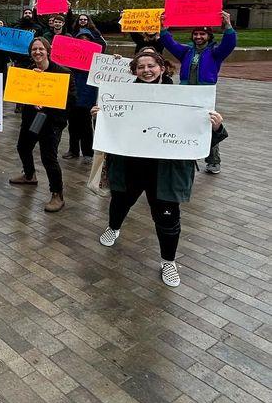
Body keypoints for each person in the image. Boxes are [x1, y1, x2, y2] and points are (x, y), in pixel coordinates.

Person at [95, 49, 227, 287]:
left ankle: (169, 261)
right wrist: (101, 117)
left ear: (162, 68)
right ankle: (113, 228)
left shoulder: (185, 99)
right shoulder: (121, 96)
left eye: (151, 66)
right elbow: (110, 132)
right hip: (130, 167)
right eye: (141, 67)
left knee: (167, 218)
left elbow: (201, 140)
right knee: (120, 202)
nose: (146, 71)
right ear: (134, 71)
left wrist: (216, 127)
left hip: (166, 172)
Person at [159, 10, 237, 175]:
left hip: (205, 95)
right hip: (185, 94)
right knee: (184, 125)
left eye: (202, 33)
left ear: (208, 36)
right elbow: (170, 43)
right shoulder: (186, 51)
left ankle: (213, 160)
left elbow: (229, 44)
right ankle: (185, 154)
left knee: (207, 126)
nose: (199, 36)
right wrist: (164, 28)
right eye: (196, 34)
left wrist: (228, 25)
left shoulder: (215, 53)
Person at [9, 36, 70, 212]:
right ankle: (29, 175)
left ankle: (57, 194)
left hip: (52, 122)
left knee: (48, 157)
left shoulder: (63, 72)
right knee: (23, 147)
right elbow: (19, 94)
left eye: (40, 49)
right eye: (34, 49)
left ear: (48, 51)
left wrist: (48, 103)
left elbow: (71, 100)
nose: (37, 52)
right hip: (33, 119)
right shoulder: (27, 71)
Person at [63, 26, 99, 160]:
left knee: (86, 125)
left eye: (87, 39)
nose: (84, 41)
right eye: (81, 39)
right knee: (72, 124)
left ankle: (88, 152)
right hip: (72, 93)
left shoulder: (96, 57)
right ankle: (73, 150)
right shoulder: (70, 55)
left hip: (88, 95)